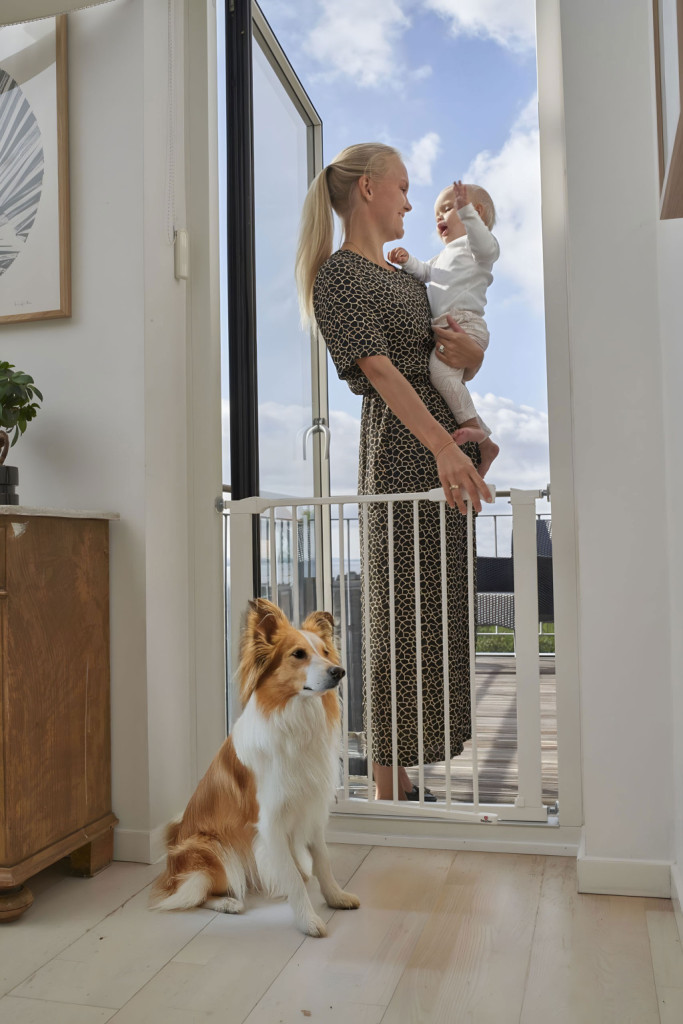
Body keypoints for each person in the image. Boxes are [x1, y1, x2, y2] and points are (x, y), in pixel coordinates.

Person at [295, 143, 492, 801]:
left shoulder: (406, 277)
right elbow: (380, 371)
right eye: (403, 188)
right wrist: (442, 448)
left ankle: (402, 778)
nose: (411, 202)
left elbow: (447, 352)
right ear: (369, 188)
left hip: (442, 455)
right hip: (403, 457)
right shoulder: (339, 275)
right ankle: (387, 787)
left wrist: (471, 357)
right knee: (397, 616)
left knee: (435, 614)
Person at [388, 180, 500, 478]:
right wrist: (407, 261)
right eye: (437, 212)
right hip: (448, 328)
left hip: (466, 324)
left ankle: (477, 432)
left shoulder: (479, 246)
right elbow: (426, 272)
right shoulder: (444, 255)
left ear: (476, 212)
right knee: (446, 379)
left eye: (448, 208)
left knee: (440, 375)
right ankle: (485, 443)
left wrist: (466, 213)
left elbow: (484, 246)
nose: (440, 216)